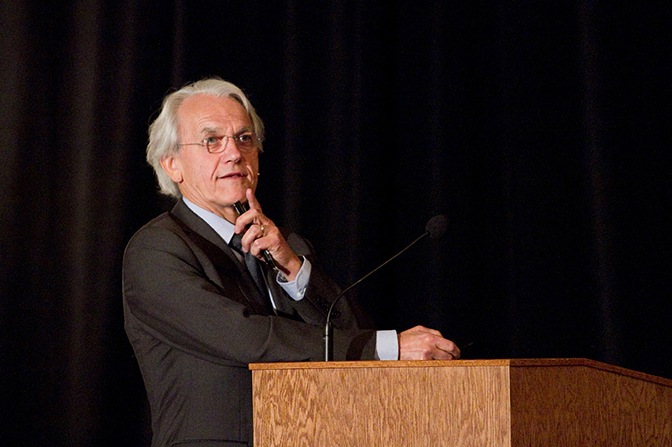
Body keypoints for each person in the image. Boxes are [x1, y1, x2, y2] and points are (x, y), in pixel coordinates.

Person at [123, 77, 460, 447]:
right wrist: (388, 348)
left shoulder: (286, 245)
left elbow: (348, 327)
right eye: (212, 140)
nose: (234, 153)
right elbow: (247, 338)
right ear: (173, 165)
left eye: (244, 138)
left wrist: (293, 268)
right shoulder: (157, 249)